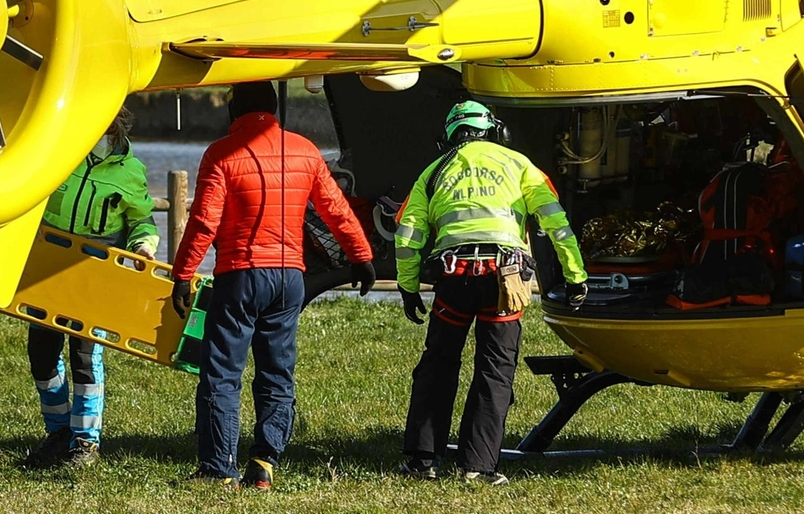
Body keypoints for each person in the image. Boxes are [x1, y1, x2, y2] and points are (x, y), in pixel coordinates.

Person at [170, 81, 377, 490]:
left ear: (234, 110)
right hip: (289, 279)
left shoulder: (221, 153)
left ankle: (218, 468)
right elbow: (335, 209)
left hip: (240, 275)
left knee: (222, 375)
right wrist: (362, 257)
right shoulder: (305, 150)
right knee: (277, 372)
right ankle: (264, 463)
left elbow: (204, 222)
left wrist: (182, 273)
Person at [394, 101, 589, 485]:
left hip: (454, 277)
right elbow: (556, 223)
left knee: (438, 364)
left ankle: (421, 461)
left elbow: (407, 233)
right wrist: (575, 275)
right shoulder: (520, 165)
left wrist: (408, 286)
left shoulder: (433, 172)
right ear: (494, 131)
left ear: (450, 137)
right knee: (495, 370)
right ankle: (477, 467)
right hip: (505, 277)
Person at [23, 107, 157, 469]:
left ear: (115, 126)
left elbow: (141, 220)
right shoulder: (61, 154)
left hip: (94, 276)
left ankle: (85, 443)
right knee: (42, 356)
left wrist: (143, 247)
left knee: (85, 358)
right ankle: (58, 433)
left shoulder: (131, 172)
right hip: (47, 273)